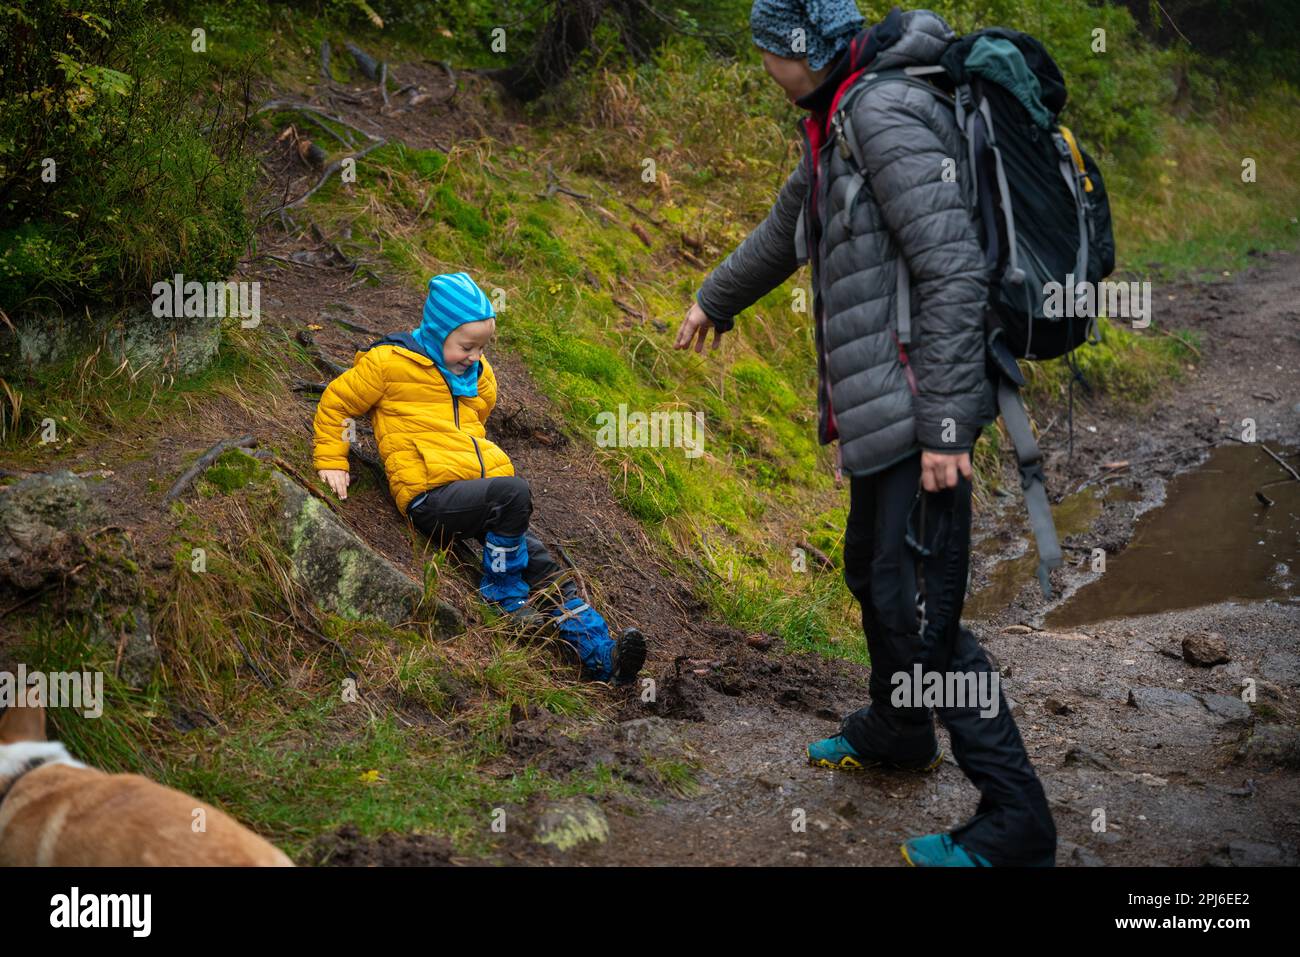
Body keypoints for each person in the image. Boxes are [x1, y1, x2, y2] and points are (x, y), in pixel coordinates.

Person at [674, 2, 1056, 866]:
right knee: (873, 570)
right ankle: (898, 726)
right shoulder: (838, 116)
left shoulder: (881, 113)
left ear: (805, 48)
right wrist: (716, 299)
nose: (767, 67)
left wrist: (949, 427)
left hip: (925, 406)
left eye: (772, 51)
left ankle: (1017, 821)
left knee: (928, 610)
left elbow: (954, 267)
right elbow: (789, 227)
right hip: (886, 408)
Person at [313, 271, 647, 684]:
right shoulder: (389, 364)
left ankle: (603, 657)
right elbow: (337, 403)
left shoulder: (477, 373)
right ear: (437, 332)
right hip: (429, 496)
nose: (474, 356)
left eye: (481, 346)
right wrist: (334, 459)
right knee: (513, 494)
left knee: (544, 568)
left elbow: (477, 415)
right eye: (465, 346)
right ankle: (502, 593)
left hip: (474, 499)